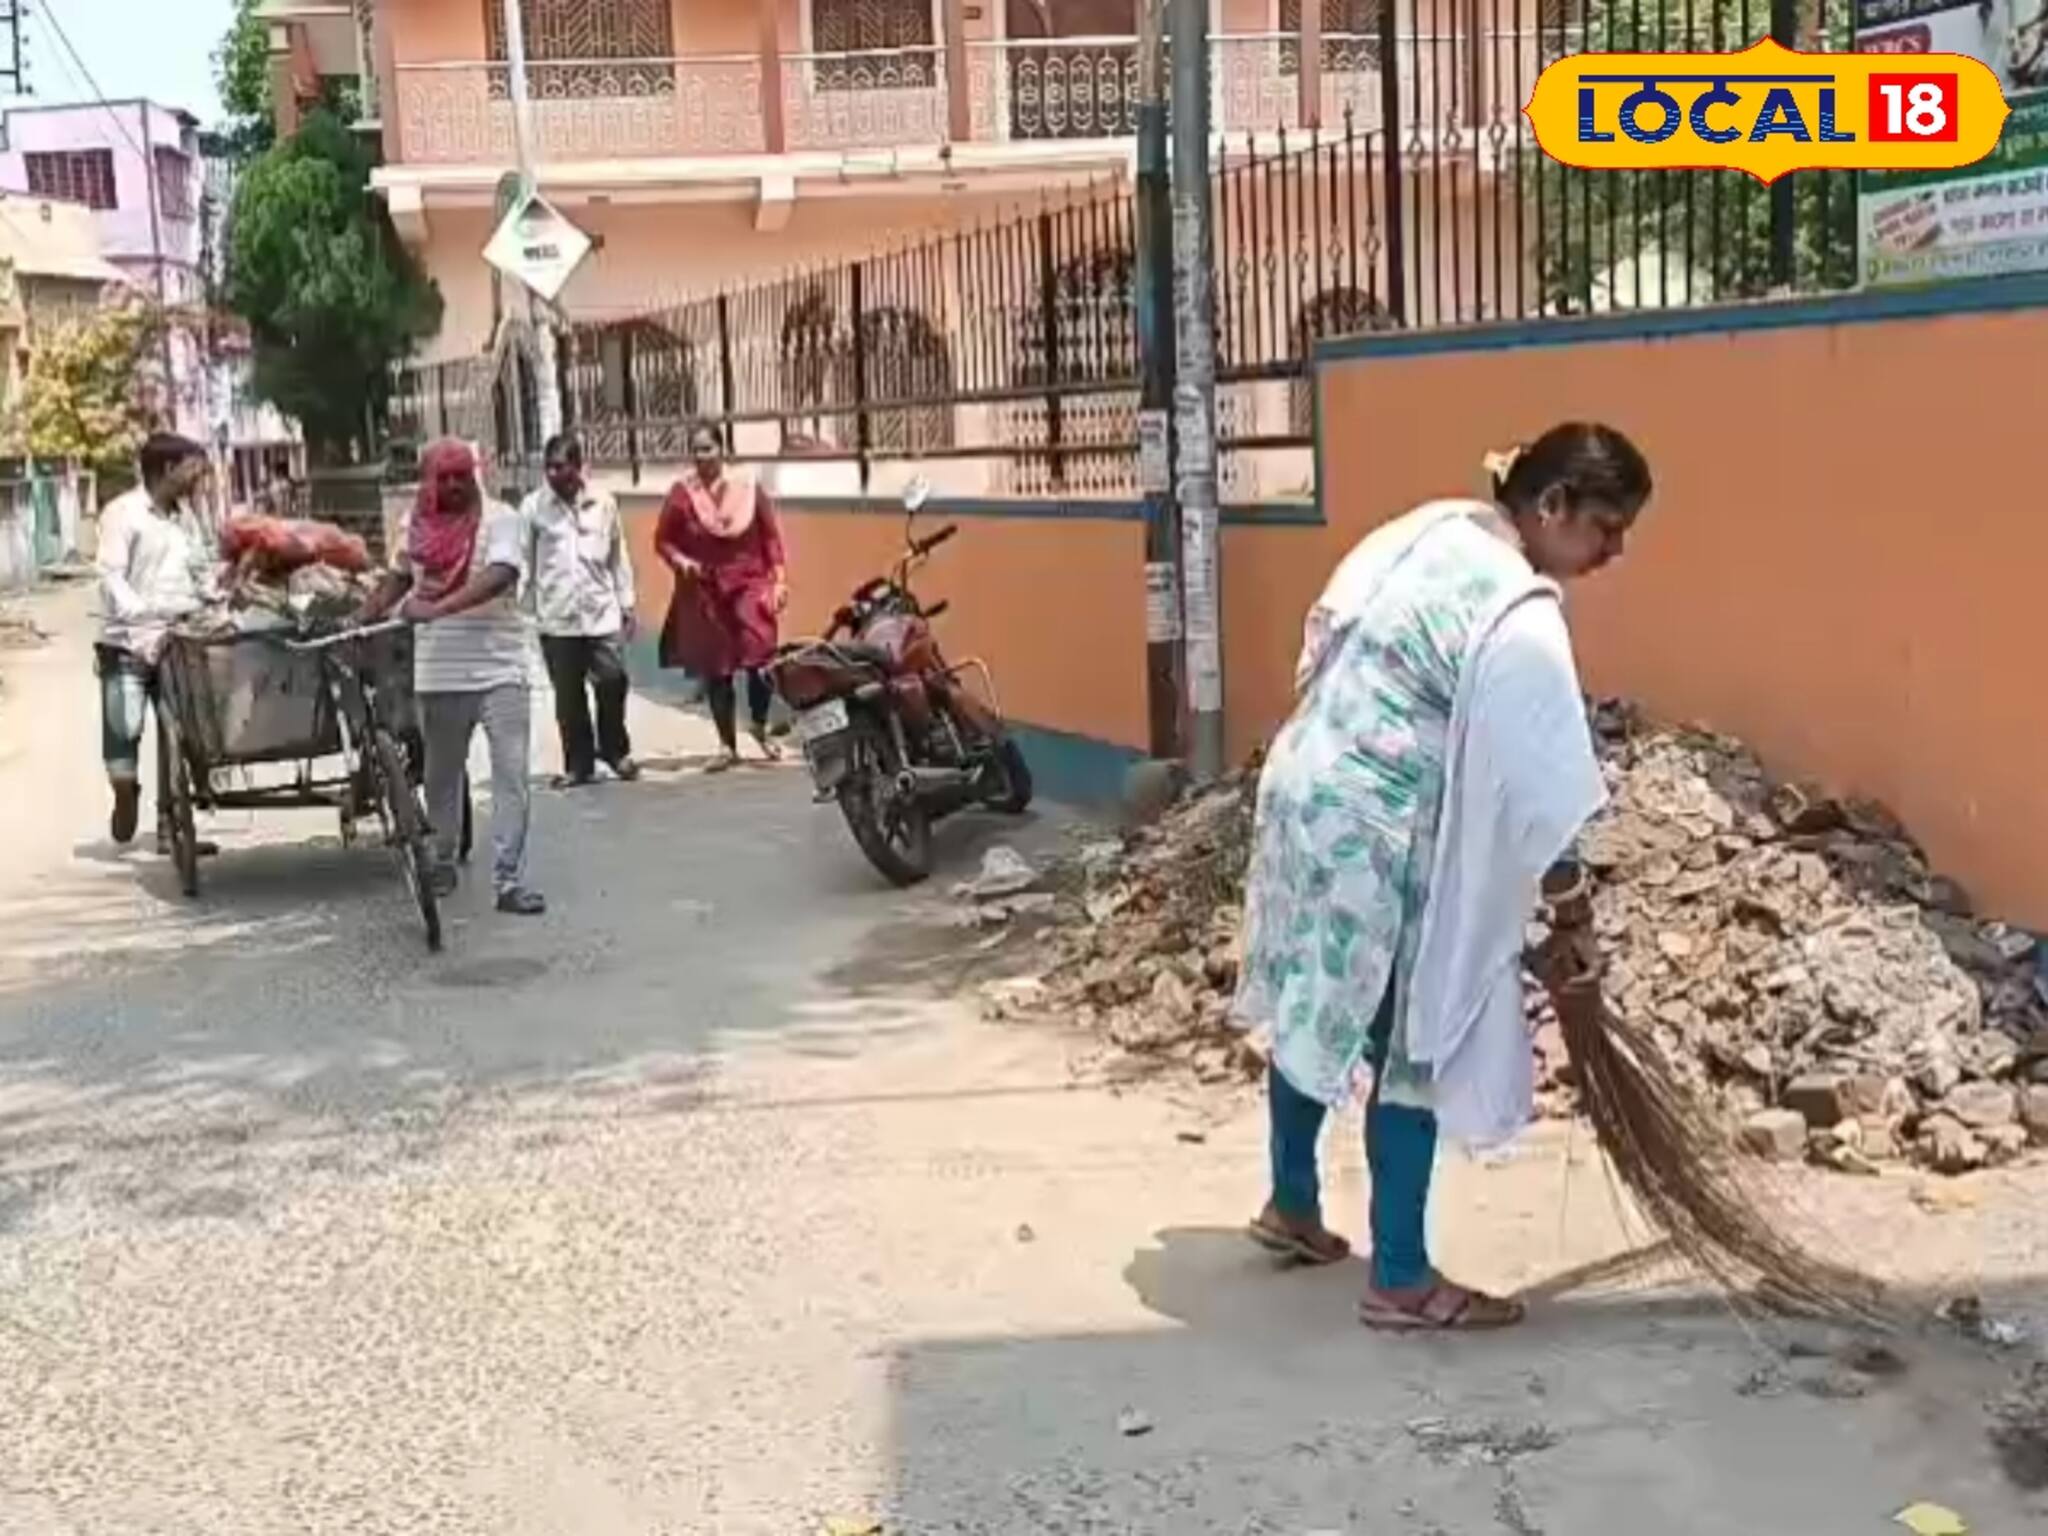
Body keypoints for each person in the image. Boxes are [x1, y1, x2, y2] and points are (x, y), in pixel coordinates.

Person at [1233, 422, 1654, 1332]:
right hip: (1380, 824)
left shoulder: (1432, 530)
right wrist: (1568, 908)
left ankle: (1293, 1206)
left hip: (1306, 783)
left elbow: (1325, 630)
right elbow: (1539, 788)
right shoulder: (1522, 610)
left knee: (1319, 1000)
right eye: (1605, 528)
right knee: (1413, 1038)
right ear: (1551, 507)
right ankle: (1401, 1277)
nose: (1613, 552)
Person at [363, 439, 546, 917]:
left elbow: (502, 574)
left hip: (501, 667)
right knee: (442, 778)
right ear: (428, 480)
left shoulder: (503, 519)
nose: (450, 485)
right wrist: (364, 615)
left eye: (458, 475)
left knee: (512, 777)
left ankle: (508, 880)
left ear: (474, 474)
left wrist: (438, 608)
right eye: (440, 477)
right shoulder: (414, 524)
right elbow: (400, 576)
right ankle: (441, 861)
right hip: (439, 671)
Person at [95, 432, 218, 852]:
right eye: (192, 467)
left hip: (176, 638)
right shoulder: (123, 513)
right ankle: (125, 793)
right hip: (126, 641)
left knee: (180, 730)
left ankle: (172, 827)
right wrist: (135, 608)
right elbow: (111, 573)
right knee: (124, 727)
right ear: (167, 469)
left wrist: (217, 594)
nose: (199, 476)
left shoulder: (187, 517)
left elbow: (202, 568)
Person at [654, 426, 789, 771]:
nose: (702, 457)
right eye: (696, 450)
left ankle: (759, 725)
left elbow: (771, 538)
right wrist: (680, 561)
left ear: (722, 449)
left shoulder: (747, 487)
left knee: (762, 655)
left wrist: (779, 581)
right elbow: (664, 540)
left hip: (750, 583)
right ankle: (727, 745)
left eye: (708, 449)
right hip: (706, 589)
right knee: (719, 669)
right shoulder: (683, 494)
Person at [521, 433, 640, 788]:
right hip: (558, 619)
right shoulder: (533, 508)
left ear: (578, 467)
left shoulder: (603, 503)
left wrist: (627, 602)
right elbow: (523, 561)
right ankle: (579, 764)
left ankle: (616, 751)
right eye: (549, 469)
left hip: (601, 613)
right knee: (568, 698)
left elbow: (619, 554)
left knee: (613, 681)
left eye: (562, 468)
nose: (555, 476)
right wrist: (522, 614)